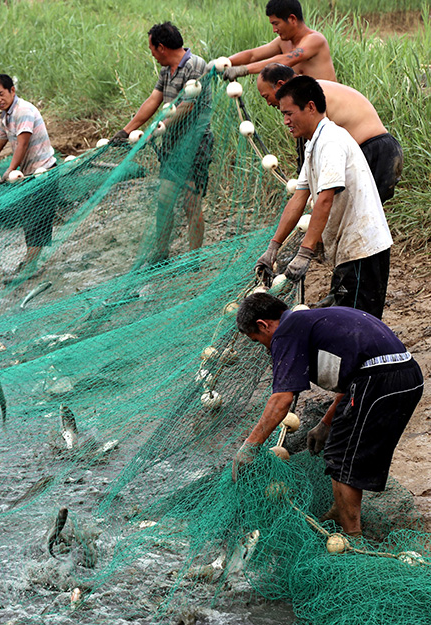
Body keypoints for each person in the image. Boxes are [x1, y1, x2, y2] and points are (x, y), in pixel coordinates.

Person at [233, 293, 423, 537]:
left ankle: (352, 538)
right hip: (408, 377)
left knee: (342, 457)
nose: (265, 347)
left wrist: (250, 446)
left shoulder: (286, 332)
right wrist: (326, 422)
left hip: (380, 382)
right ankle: (340, 511)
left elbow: (282, 399)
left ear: (263, 324)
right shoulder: (313, 320)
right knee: (344, 448)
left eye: (258, 340)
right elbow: (355, 372)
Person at [255, 76, 393, 318]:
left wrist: (305, 253)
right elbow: (298, 199)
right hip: (348, 250)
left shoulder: (331, 141)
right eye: (282, 114)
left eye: (289, 113)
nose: (285, 121)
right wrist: (272, 248)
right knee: (348, 320)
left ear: (310, 107)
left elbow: (325, 200)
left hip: (363, 249)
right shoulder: (312, 144)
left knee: (361, 324)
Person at [112, 21, 212, 263]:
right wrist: (127, 130)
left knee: (191, 204)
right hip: (171, 146)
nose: (153, 55)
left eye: (152, 49)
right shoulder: (167, 70)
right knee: (164, 201)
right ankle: (160, 255)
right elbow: (154, 100)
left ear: (161, 47)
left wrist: (158, 129)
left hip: (194, 145)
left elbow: (187, 107)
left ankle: (194, 259)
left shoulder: (196, 65)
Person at [257, 64, 402, 203]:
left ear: (280, 85)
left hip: (375, 152)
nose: (268, 103)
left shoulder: (308, 96)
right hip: (381, 150)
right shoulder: (308, 92)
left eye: (265, 97)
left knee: (356, 216)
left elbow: (320, 142)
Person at [0, 74, 58, 279]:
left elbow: (23, 144)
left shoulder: (23, 110)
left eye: (1, 94)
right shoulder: (5, 117)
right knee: (29, 219)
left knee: (37, 219)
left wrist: (10, 170)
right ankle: (31, 262)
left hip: (43, 173)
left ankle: (30, 267)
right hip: (26, 176)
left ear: (12, 91)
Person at [223, 0, 336, 82]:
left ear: (292, 19)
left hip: (328, 103)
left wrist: (244, 70)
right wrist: (224, 62)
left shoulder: (315, 39)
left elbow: (286, 60)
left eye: (276, 24)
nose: (274, 30)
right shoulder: (283, 42)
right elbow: (252, 55)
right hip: (305, 106)